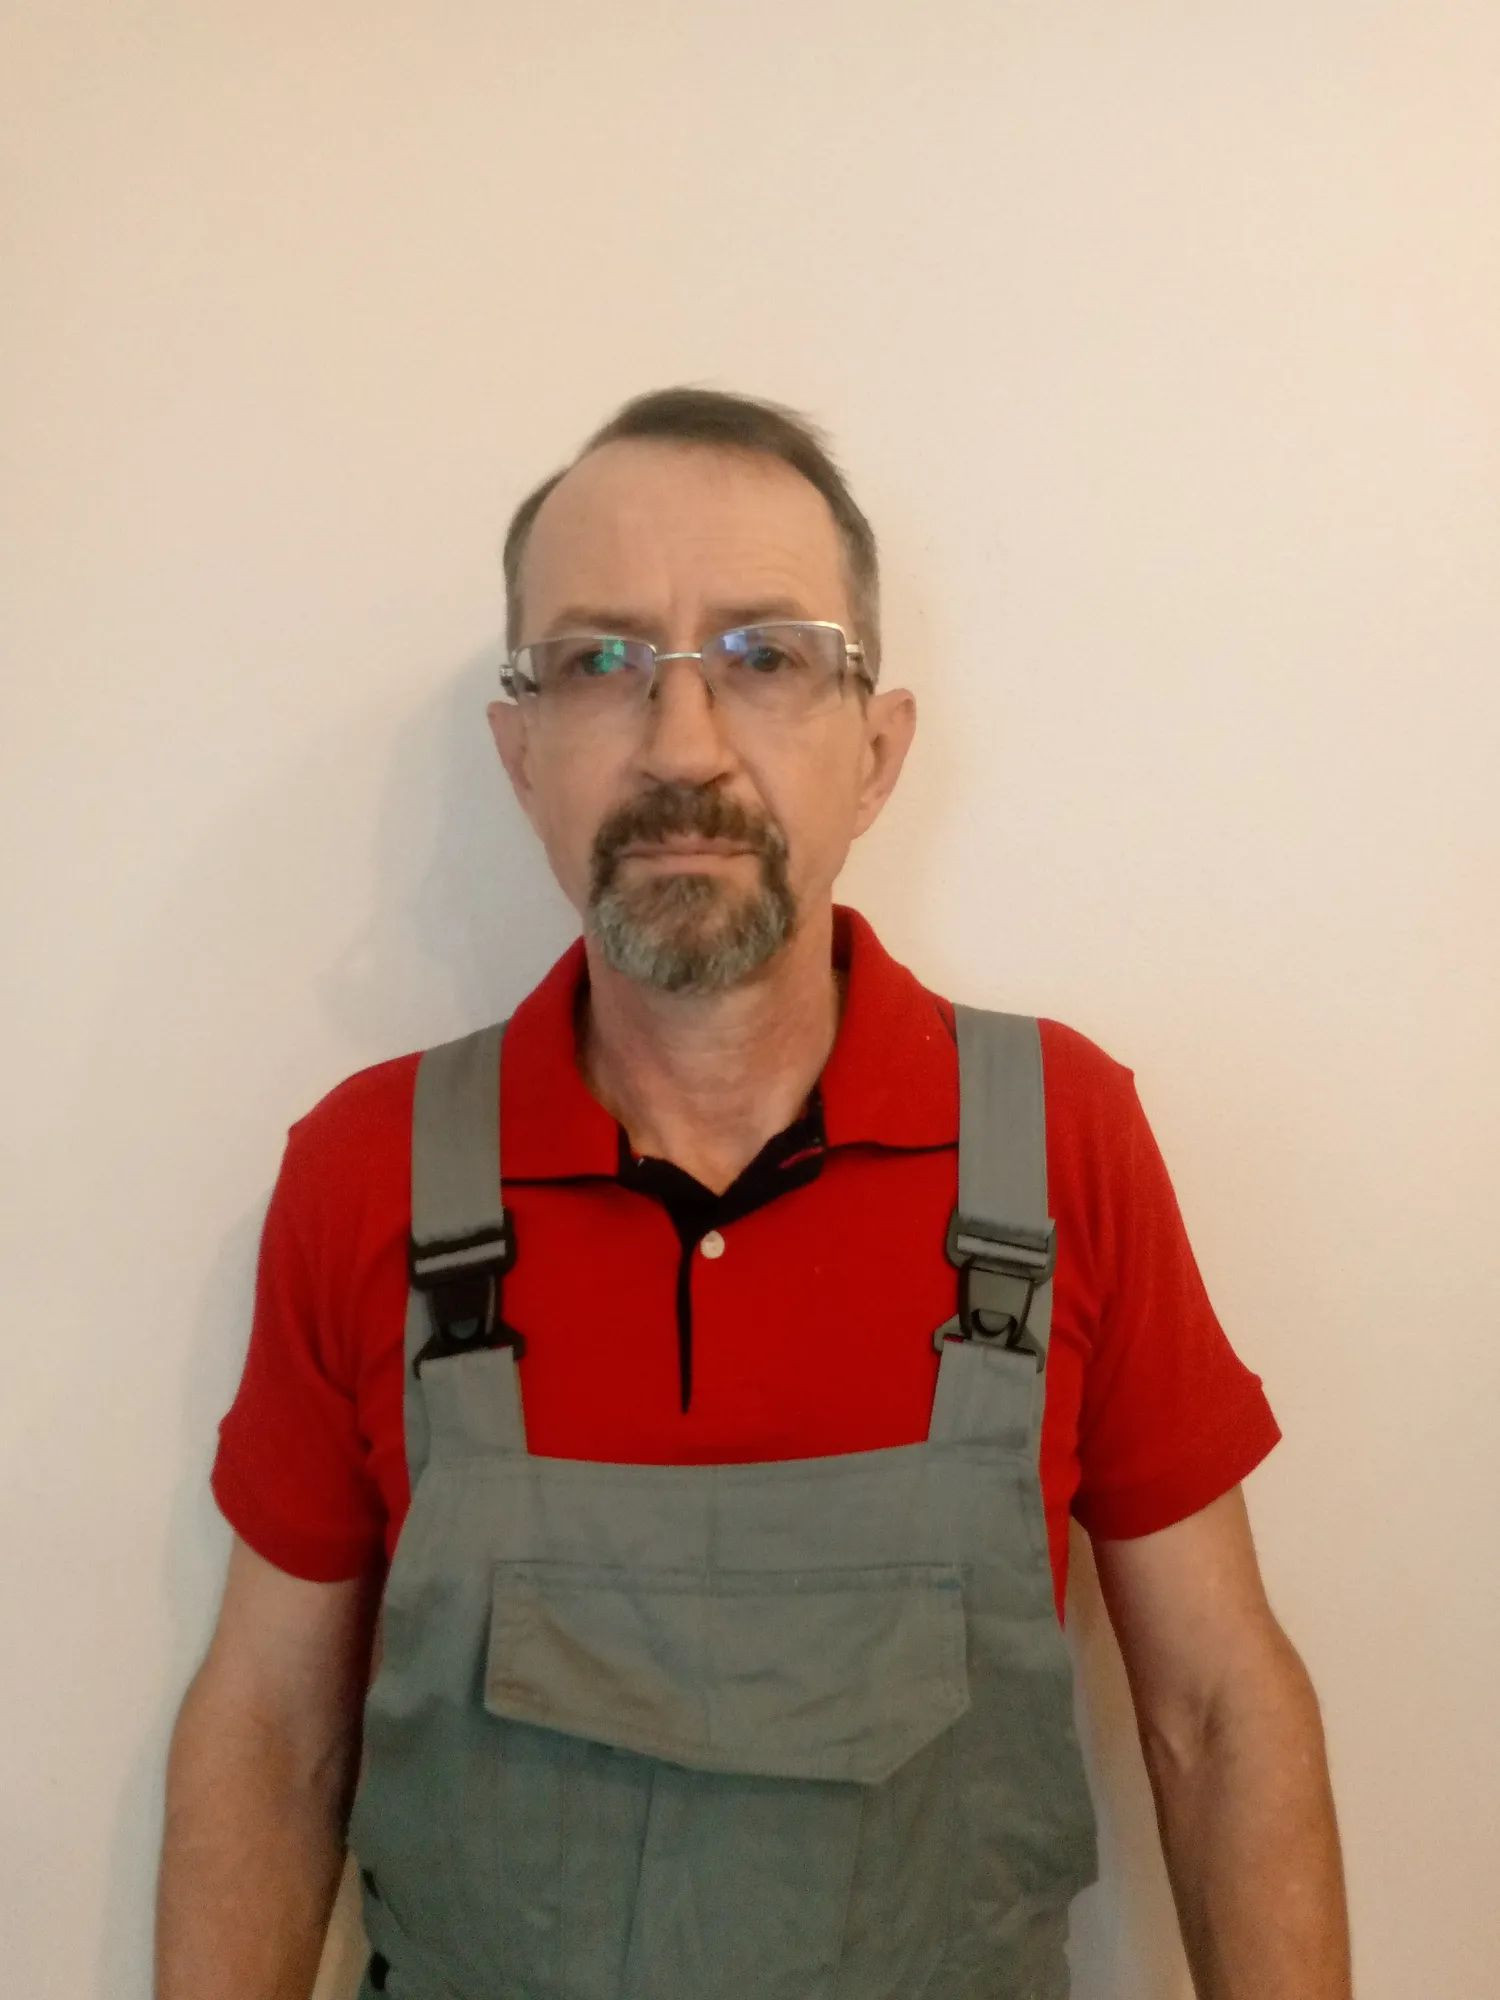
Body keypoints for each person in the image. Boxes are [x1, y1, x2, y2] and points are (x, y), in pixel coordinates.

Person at [155, 387, 1352, 2000]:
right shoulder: (368, 1170)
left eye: (765, 656)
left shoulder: (1062, 1140)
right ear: (519, 754)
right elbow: (271, 1733)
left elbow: (1217, 1714)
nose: (682, 743)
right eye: (600, 661)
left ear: (878, 751)